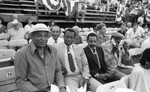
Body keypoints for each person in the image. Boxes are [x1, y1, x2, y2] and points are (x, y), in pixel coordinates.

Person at [14, 23, 67, 92]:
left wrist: (61, 86)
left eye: (45, 36)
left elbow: (58, 70)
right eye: (39, 36)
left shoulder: (53, 50)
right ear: (32, 36)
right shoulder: (22, 54)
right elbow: (20, 81)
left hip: (53, 89)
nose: (43, 39)